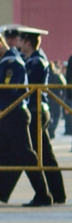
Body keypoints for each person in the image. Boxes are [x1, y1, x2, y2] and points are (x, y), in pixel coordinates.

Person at [0, 27, 47, 206]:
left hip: (15, 114)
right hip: (7, 114)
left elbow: (9, 90)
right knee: (7, 155)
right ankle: (2, 192)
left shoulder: (12, 63)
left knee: (26, 155)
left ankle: (43, 194)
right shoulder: (5, 61)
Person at [19, 27, 66, 205]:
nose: (19, 44)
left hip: (36, 110)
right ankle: (57, 194)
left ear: (28, 43)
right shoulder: (33, 60)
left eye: (22, 41)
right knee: (45, 154)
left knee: (37, 154)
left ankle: (48, 194)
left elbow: (31, 88)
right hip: (38, 110)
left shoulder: (36, 62)